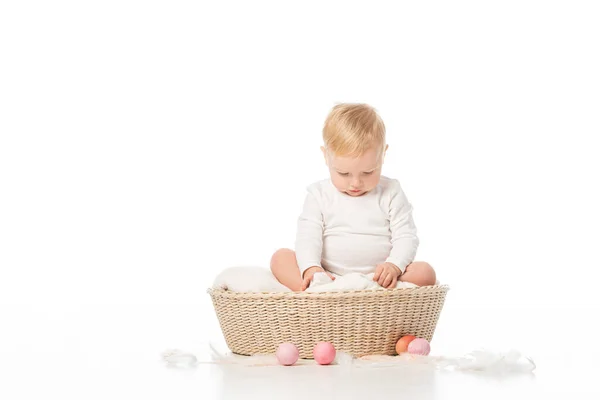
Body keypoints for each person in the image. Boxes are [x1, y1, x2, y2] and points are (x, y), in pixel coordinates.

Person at [271, 103, 436, 291]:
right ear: (326, 157)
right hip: (328, 276)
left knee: (425, 272)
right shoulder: (319, 194)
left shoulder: (391, 191)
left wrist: (394, 265)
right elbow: (308, 237)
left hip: (378, 278)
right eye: (343, 173)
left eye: (368, 172)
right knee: (280, 258)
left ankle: (365, 290)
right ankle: (318, 289)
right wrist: (312, 268)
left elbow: (406, 236)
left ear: (383, 156)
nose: (355, 183)